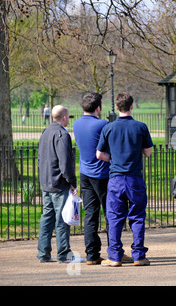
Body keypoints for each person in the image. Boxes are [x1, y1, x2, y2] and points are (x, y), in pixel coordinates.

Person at [96, 92, 153, 267]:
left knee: (114, 217)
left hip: (115, 178)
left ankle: (114, 256)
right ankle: (139, 256)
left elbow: (99, 154)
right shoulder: (141, 127)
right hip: (134, 177)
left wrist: (113, 159)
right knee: (137, 217)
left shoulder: (108, 128)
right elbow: (148, 152)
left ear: (117, 107)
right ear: (131, 106)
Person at [73, 92, 112, 265]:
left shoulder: (76, 124)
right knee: (111, 212)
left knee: (90, 215)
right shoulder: (103, 124)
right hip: (102, 174)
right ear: (98, 108)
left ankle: (92, 254)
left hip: (85, 173)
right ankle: (114, 251)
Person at [37, 105, 79, 263]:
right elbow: (65, 163)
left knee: (46, 218)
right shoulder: (62, 134)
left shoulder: (45, 132)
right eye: (68, 117)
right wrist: (72, 182)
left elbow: (40, 159)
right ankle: (63, 254)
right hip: (58, 183)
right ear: (64, 117)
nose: (68, 120)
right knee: (62, 220)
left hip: (46, 182)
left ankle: (43, 253)